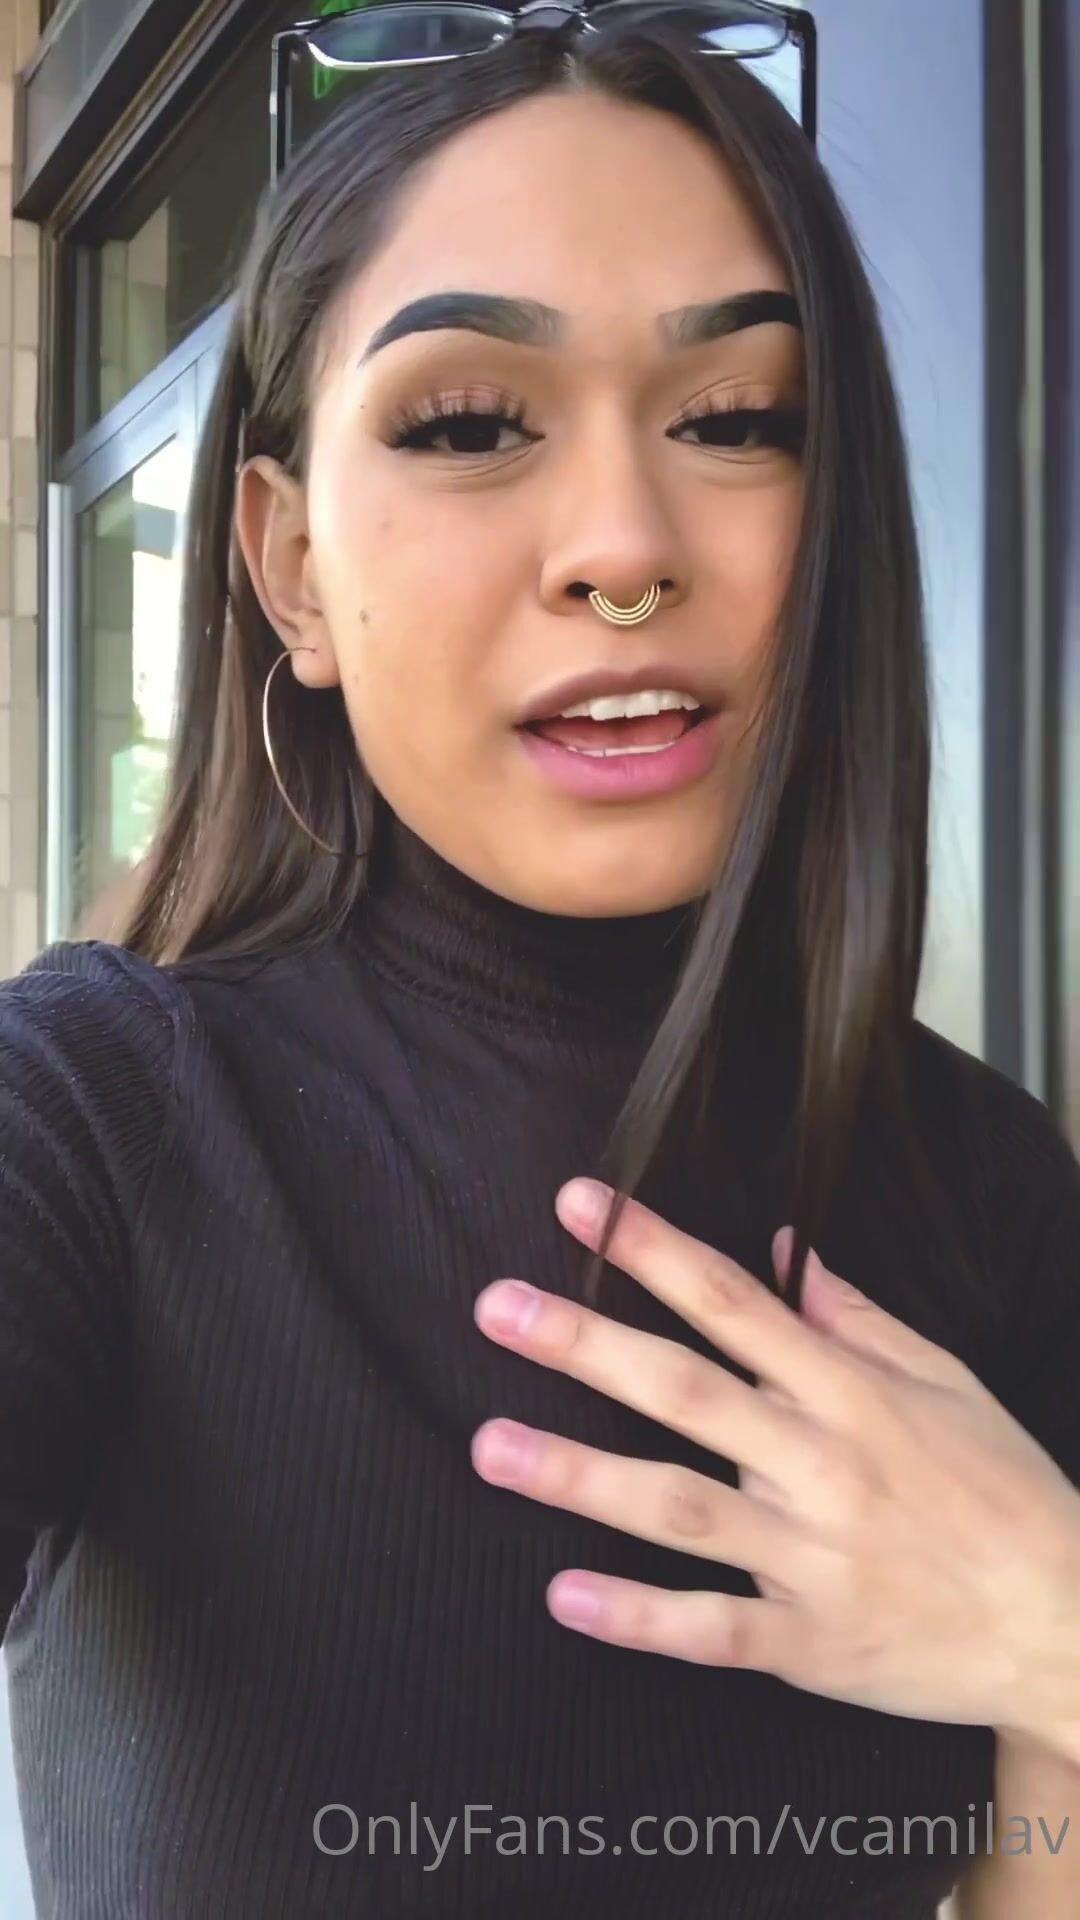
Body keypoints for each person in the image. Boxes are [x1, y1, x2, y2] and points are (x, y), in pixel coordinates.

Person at [1, 6, 1077, 1917]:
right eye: (470, 426)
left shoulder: (992, 1188)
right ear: (290, 565)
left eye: (736, 421)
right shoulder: (88, 1120)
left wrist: (1055, 1628)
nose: (624, 551)